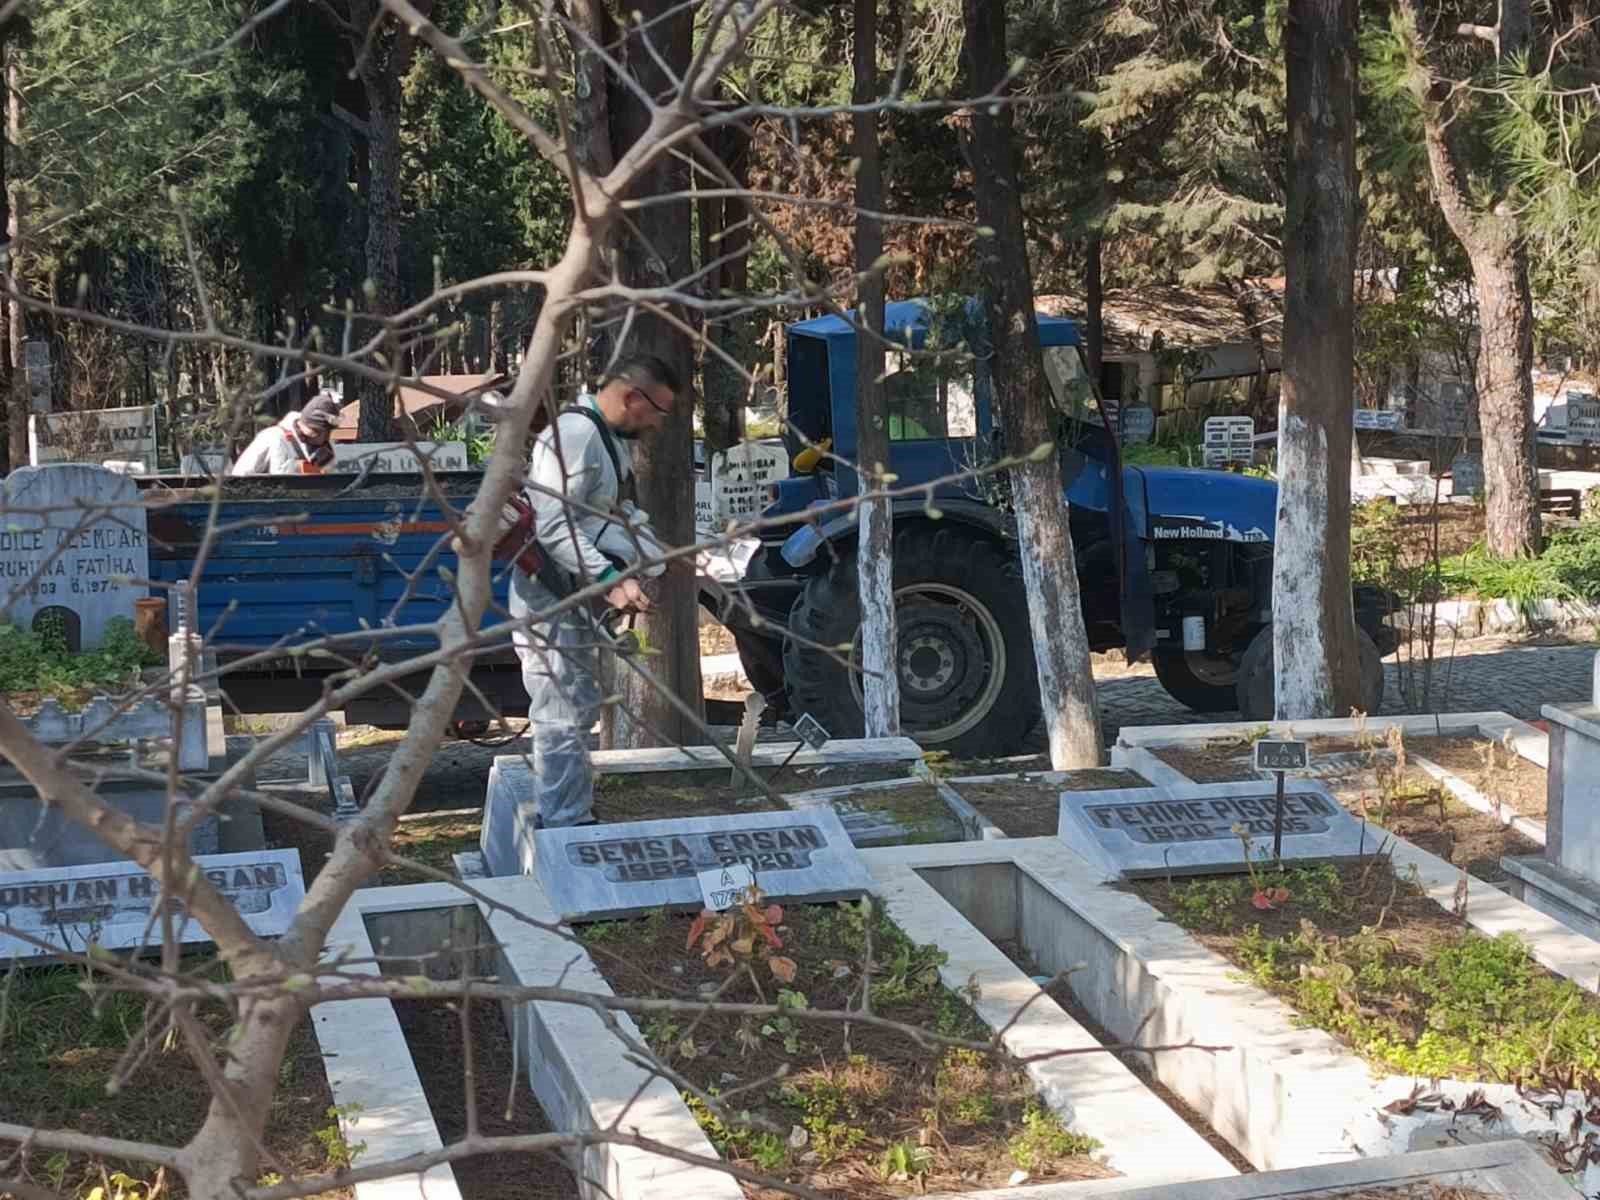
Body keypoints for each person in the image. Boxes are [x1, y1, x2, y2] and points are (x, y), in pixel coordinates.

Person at [511, 354, 678, 828]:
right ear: (631, 397)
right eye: (658, 411)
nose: (658, 423)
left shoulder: (606, 441)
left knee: (577, 703)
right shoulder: (577, 436)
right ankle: (564, 822)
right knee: (561, 707)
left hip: (573, 594)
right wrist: (611, 580)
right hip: (550, 593)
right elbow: (554, 523)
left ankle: (570, 810)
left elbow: (600, 515)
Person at [228, 393, 341, 475]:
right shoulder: (272, 438)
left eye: (328, 432)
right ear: (312, 427)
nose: (326, 437)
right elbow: (240, 477)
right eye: (324, 432)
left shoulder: (323, 450)